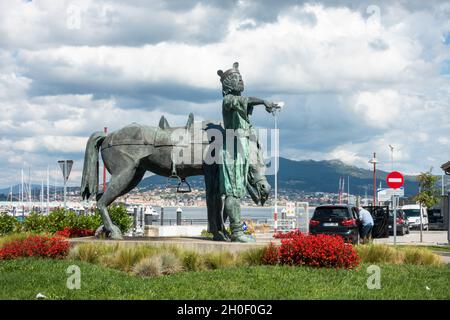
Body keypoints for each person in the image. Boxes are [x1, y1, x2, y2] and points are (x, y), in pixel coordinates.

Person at [217, 62, 275, 242]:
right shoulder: (228, 100)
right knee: (233, 192)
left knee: (238, 191)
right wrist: (264, 101)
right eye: (235, 78)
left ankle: (229, 229)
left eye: (241, 77)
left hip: (241, 150)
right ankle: (236, 232)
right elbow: (247, 100)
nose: (240, 80)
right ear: (227, 85)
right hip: (233, 150)